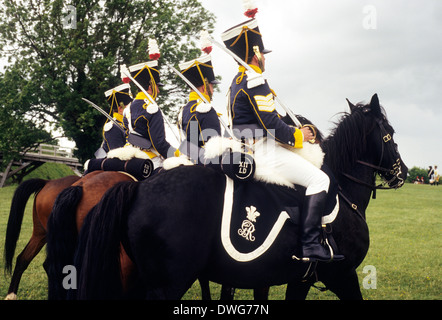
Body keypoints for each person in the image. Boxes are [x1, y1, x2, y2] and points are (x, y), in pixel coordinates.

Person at [221, 18, 343, 262]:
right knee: (319, 179)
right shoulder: (256, 81)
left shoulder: (237, 81)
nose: (265, 58)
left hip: (251, 147)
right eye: (263, 53)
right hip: (265, 151)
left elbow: (268, 118)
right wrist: (300, 136)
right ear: (255, 53)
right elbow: (272, 125)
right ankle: (310, 244)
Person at [123, 48, 179, 170]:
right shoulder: (152, 108)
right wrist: (177, 155)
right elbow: (159, 143)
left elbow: (126, 134)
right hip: (150, 159)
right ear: (150, 87)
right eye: (157, 87)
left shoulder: (127, 109)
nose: (158, 91)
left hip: (130, 157)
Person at [178, 54, 221, 148]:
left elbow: (194, 140)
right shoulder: (205, 110)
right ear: (204, 87)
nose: (213, 91)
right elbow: (214, 149)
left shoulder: (185, 110)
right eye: (211, 86)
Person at [102, 83, 133, 154]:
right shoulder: (113, 127)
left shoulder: (127, 124)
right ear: (121, 108)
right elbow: (117, 158)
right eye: (130, 106)